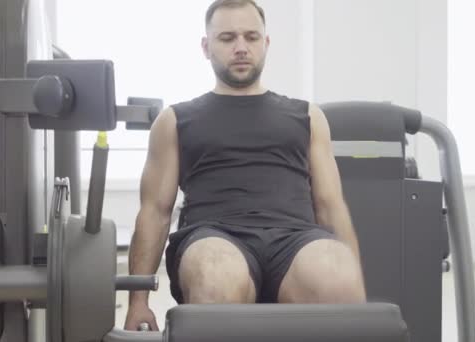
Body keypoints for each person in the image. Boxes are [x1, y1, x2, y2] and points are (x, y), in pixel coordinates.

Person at [124, 0, 366, 331]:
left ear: (265, 44)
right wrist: (138, 301)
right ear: (206, 47)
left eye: (251, 37)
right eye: (227, 38)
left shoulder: (307, 116)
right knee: (216, 273)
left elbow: (331, 205)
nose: (241, 48)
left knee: (334, 272)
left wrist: (358, 293)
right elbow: (154, 212)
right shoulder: (175, 120)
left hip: (295, 240)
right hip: (215, 234)